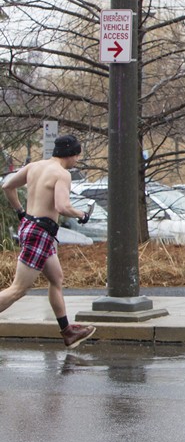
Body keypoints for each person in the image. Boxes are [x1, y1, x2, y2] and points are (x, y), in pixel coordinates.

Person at [0, 134, 96, 348]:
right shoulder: (62, 174)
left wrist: (20, 212)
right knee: (18, 289)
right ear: (70, 154)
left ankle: (67, 331)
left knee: (56, 279)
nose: (77, 160)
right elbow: (62, 207)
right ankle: (67, 331)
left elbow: (7, 185)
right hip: (40, 233)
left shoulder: (35, 166)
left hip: (33, 227)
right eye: (77, 155)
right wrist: (82, 214)